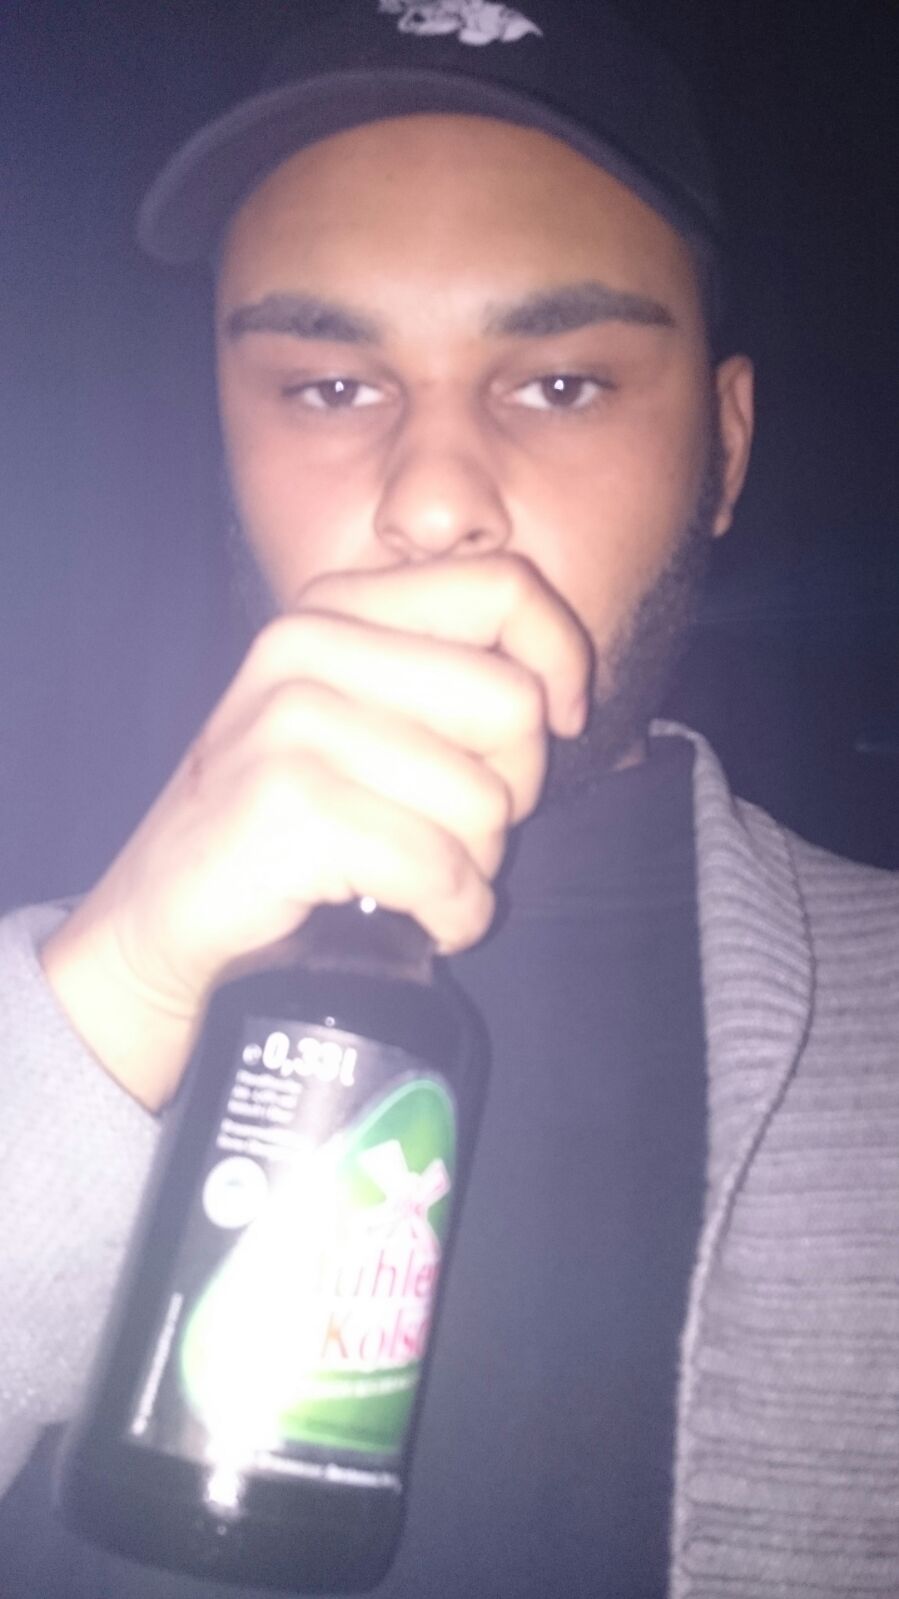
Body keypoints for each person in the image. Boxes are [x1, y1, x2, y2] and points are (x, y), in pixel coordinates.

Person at [2, 3, 897, 1594]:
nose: (429, 501)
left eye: (560, 383)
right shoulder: (55, 1000)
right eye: (328, 387)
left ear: (725, 443)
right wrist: (110, 996)